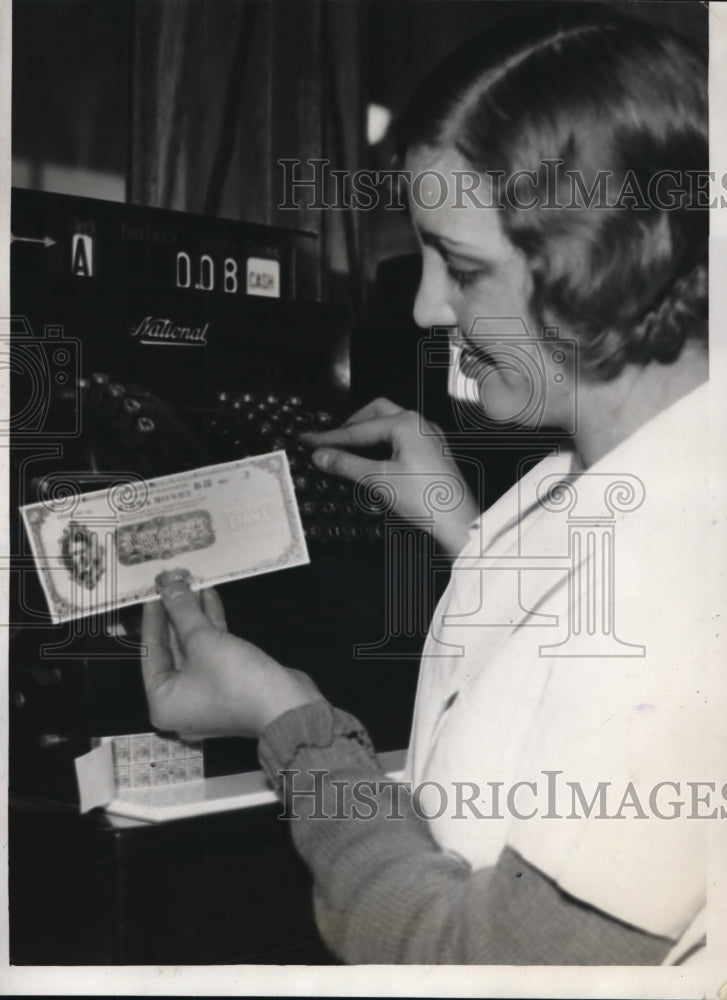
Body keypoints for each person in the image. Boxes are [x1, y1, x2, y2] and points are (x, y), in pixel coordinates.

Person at [141, 7, 713, 965]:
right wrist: (467, 534)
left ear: (607, 265)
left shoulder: (688, 576)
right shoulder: (594, 476)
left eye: (462, 268)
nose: (423, 307)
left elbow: (476, 960)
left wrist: (290, 725)